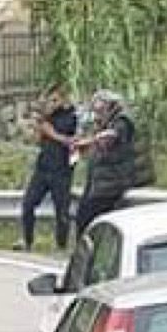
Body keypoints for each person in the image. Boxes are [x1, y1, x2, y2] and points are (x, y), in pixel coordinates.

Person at [16, 85, 78, 252]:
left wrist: (47, 129)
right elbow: (37, 139)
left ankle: (61, 245)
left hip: (61, 170)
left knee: (61, 211)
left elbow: (67, 139)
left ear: (64, 100)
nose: (51, 104)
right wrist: (37, 126)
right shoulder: (46, 118)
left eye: (55, 100)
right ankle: (27, 240)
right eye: (50, 100)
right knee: (28, 204)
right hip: (43, 168)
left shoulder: (71, 117)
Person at [73, 89, 137, 234]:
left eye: (99, 110)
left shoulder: (122, 121)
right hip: (98, 183)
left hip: (111, 183)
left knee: (88, 219)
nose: (97, 114)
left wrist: (89, 142)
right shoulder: (104, 123)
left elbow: (109, 137)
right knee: (83, 218)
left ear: (109, 106)